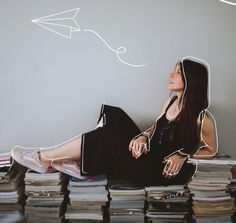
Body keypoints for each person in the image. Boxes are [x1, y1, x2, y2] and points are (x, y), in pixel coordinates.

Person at [11, 57, 217, 186]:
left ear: (192, 81)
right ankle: (82, 164)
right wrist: (143, 137)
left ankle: (43, 158)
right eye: (174, 70)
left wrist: (183, 155)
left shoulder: (201, 117)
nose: (171, 74)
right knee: (113, 114)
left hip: (155, 171)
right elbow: (155, 128)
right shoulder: (170, 101)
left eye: (178, 72)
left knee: (106, 137)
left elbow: (211, 150)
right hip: (146, 154)